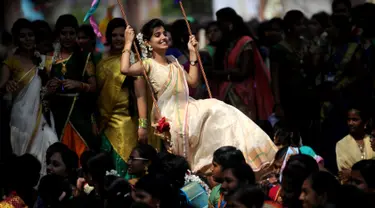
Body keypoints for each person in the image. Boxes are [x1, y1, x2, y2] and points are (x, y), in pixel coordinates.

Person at [120, 19, 277, 173]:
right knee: (216, 108)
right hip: (171, 114)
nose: (163, 37)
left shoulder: (173, 61)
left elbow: (193, 82)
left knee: (225, 113)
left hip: (188, 107)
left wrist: (193, 54)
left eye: (164, 34)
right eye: (157, 35)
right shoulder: (148, 64)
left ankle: (247, 156)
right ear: (148, 42)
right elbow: (125, 69)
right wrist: (128, 43)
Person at [0, 18, 58, 175]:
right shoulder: (10, 62)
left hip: (42, 116)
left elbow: (53, 85)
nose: (27, 39)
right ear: (17, 39)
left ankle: (43, 192)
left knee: (50, 141)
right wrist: (7, 86)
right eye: (23, 36)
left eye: (30, 35)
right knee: (23, 155)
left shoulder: (43, 60)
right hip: (20, 118)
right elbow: (1, 87)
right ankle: (20, 194)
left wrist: (53, 86)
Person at [96, 18, 149, 179]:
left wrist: (143, 125)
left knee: (124, 166)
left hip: (126, 121)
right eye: (114, 35)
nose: (118, 39)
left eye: (122, 36)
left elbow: (140, 95)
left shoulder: (133, 61)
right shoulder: (101, 60)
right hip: (104, 122)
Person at [45, 14, 98, 158]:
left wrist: (79, 85)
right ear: (58, 34)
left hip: (80, 113)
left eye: (71, 33)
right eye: (64, 33)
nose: (68, 37)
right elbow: (42, 91)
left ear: (76, 34)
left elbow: (94, 88)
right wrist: (49, 89)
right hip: (57, 114)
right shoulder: (49, 59)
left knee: (82, 155)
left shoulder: (85, 57)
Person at [213, 8, 274, 121]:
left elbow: (244, 72)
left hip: (243, 94)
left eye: (220, 23)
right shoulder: (227, 43)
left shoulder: (245, 42)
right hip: (227, 93)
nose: (219, 27)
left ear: (229, 23)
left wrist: (222, 74)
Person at [336, 106, 375, 183]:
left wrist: (351, 173)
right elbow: (343, 174)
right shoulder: (341, 144)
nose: (350, 123)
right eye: (349, 119)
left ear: (365, 122)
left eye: (355, 120)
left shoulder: (372, 141)